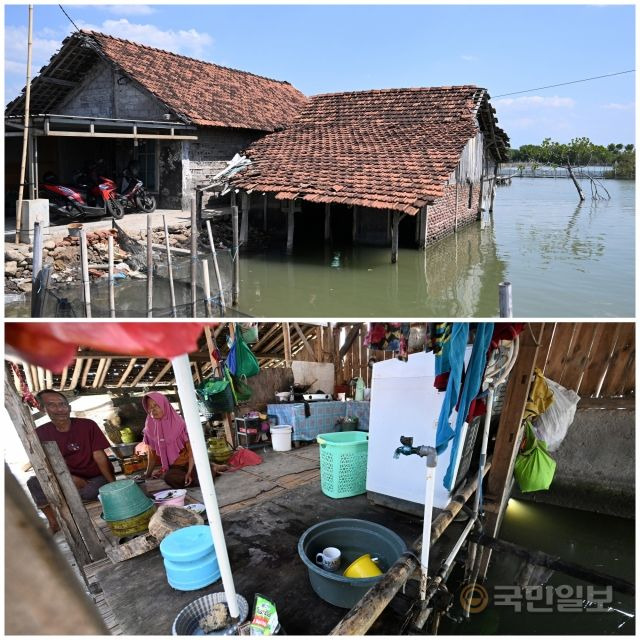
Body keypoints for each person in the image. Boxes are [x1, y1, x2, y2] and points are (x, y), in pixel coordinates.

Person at [26, 390, 116, 533]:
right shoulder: (41, 433)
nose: (60, 409)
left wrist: (113, 484)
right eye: (52, 405)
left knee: (92, 491)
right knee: (33, 482)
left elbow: (100, 456)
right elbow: (43, 464)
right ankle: (54, 522)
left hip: (93, 478)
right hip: (64, 478)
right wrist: (68, 479)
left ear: (69, 407)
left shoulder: (87, 425)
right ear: (42, 409)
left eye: (62, 404)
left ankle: (68, 501)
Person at [141, 392, 227, 489]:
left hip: (191, 462)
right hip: (175, 467)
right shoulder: (149, 428)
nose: (153, 410)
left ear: (164, 405)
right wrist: (147, 474)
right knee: (170, 478)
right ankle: (211, 469)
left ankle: (212, 468)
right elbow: (151, 455)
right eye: (149, 407)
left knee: (202, 477)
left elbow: (191, 451)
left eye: (156, 405)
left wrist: (189, 472)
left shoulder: (179, 424)